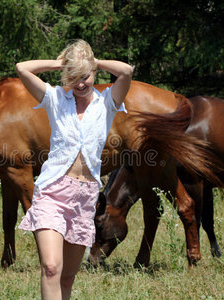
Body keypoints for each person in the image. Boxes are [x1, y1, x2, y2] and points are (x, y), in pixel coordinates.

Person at [16, 39, 133, 300]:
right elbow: (22, 68)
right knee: (50, 267)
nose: (80, 84)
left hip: (85, 197)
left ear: (94, 73)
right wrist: (61, 64)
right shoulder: (56, 99)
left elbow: (126, 71)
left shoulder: (107, 104)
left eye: (86, 76)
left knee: (67, 278)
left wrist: (93, 62)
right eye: (74, 77)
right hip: (53, 192)